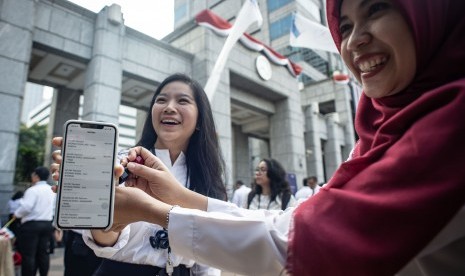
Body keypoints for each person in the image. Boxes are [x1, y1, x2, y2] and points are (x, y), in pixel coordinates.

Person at [51, 0, 465, 275]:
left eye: (375, 9)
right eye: (345, 25)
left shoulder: (445, 130)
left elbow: (293, 242)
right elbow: (284, 230)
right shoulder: (379, 133)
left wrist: (158, 208)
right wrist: (151, 204)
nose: (355, 40)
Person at [80, 73, 227, 275]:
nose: (169, 107)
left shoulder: (207, 178)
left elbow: (209, 259)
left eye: (182, 100)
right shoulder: (122, 164)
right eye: (161, 100)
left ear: (200, 118)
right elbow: (103, 240)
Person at [14, 167, 55, 276]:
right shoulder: (51, 189)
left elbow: (27, 207)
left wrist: (16, 214)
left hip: (31, 226)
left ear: (36, 176)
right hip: (47, 224)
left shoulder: (32, 190)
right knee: (43, 253)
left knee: (29, 254)